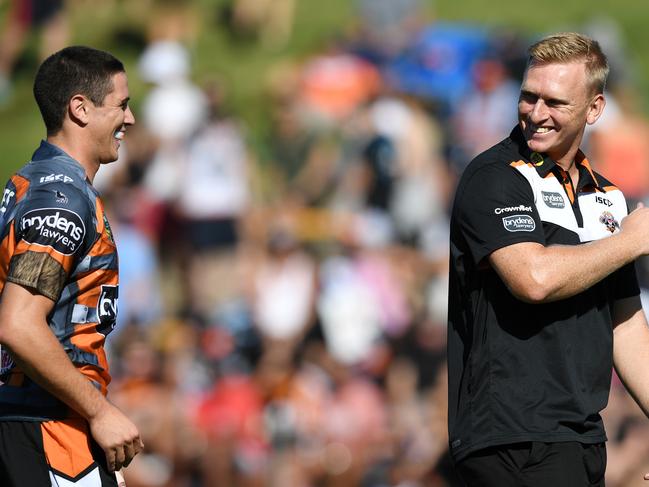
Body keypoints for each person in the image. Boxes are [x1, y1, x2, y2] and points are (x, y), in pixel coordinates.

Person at [447, 32, 649, 486]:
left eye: (555, 102)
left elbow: (626, 325)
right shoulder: (494, 177)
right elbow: (532, 277)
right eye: (528, 97)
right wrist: (629, 243)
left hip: (580, 435)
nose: (536, 114)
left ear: (594, 109)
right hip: (511, 437)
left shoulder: (607, 197)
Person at [0, 46, 143, 486]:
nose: (130, 119)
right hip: (47, 428)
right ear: (80, 109)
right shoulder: (61, 199)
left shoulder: (30, 180)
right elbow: (19, 323)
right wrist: (99, 411)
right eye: (122, 104)